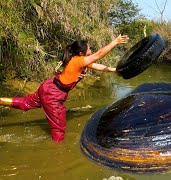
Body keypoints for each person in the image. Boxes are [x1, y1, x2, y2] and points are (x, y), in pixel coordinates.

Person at [0, 34, 129, 142]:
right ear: (81, 52)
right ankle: (58, 154)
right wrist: (115, 42)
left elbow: (98, 66)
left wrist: (115, 70)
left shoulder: (78, 59)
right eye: (89, 48)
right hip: (53, 95)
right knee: (59, 129)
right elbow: (99, 54)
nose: (91, 50)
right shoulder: (78, 61)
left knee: (25, 103)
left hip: (48, 86)